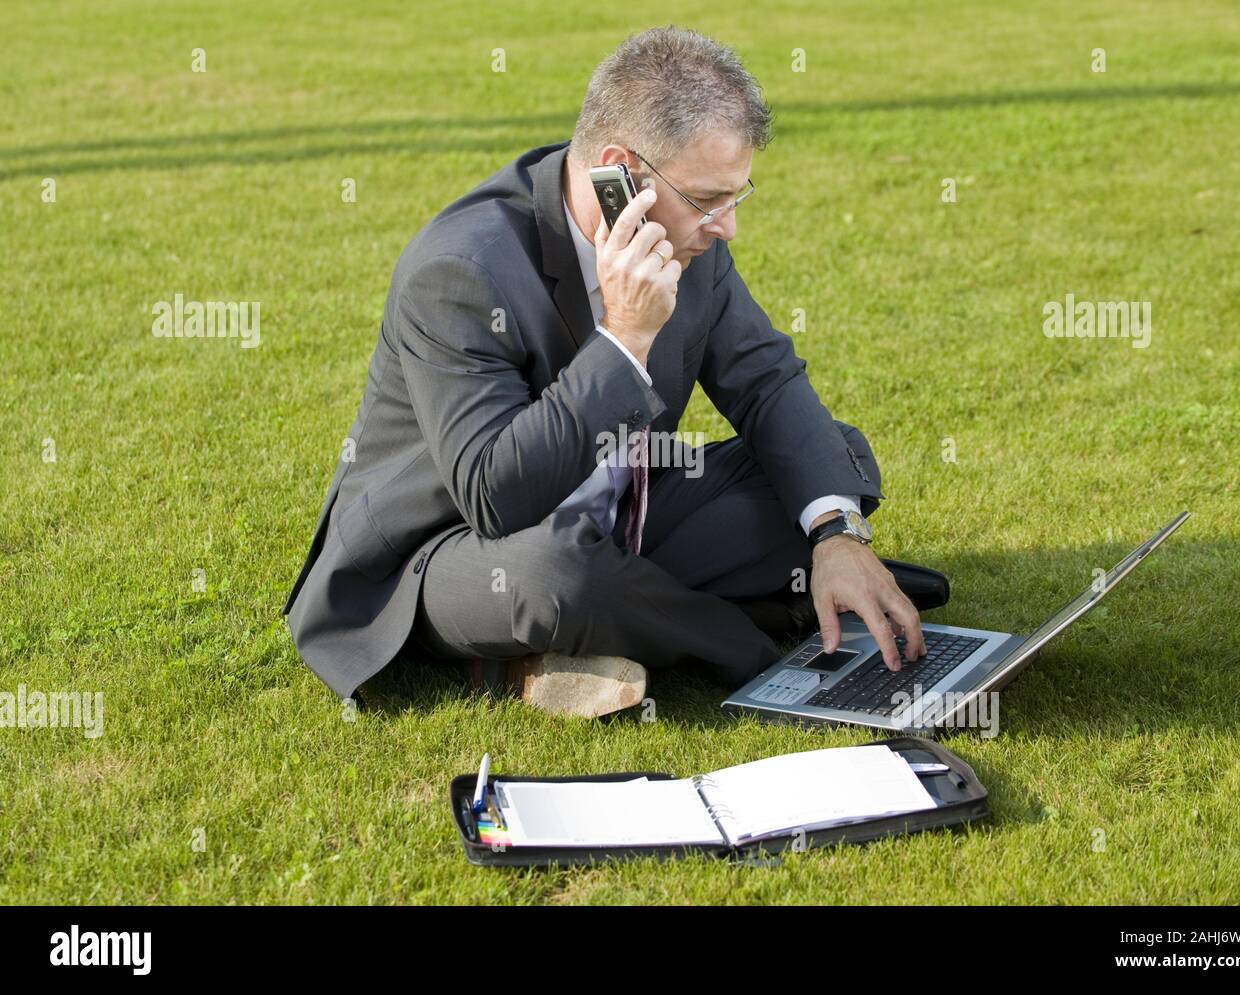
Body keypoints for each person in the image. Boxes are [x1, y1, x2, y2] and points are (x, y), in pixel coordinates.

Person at [282, 26, 943, 718]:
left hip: (622, 517)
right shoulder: (459, 271)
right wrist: (623, 340)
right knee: (557, 575)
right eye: (707, 198)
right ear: (617, 172)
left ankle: (622, 628)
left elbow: (767, 381)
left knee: (833, 461)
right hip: (454, 553)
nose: (726, 227)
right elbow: (492, 493)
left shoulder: (692, 244)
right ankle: (746, 635)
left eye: (735, 197)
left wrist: (836, 533)